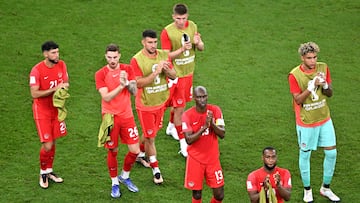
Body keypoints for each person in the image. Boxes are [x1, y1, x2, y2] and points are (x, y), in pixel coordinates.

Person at [288, 42, 340, 202]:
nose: (313, 61)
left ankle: (325, 188)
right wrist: (310, 88)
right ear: (302, 58)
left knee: (331, 153)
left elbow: (329, 93)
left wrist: (325, 85)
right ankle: (307, 190)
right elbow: (297, 100)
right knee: (305, 154)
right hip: (306, 121)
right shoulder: (294, 75)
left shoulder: (323, 67)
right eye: (309, 58)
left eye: (315, 57)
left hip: (324, 118)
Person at [131, 29, 176, 184]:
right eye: (149, 42)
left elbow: (174, 75)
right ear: (143, 42)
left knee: (150, 132)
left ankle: (138, 152)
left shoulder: (163, 55)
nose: (153, 45)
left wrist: (167, 70)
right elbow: (138, 83)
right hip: (146, 105)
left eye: (155, 42)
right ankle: (156, 170)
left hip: (160, 102)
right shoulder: (137, 60)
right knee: (151, 137)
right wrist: (156, 72)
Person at [95, 43, 140, 198]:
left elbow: (134, 92)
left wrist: (127, 84)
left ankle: (125, 176)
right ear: (105, 57)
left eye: (115, 57)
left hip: (127, 116)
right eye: (109, 57)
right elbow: (106, 97)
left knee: (135, 150)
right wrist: (121, 86)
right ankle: (114, 182)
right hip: (109, 117)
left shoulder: (127, 69)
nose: (112, 60)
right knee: (112, 150)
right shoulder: (100, 74)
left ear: (119, 56)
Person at [161, 3, 205, 157]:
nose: (181, 21)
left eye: (184, 18)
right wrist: (182, 49)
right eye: (178, 18)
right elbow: (165, 56)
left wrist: (197, 42)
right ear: (173, 17)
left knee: (179, 105)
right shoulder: (167, 32)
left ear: (188, 16)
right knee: (179, 108)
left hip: (189, 74)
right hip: (175, 76)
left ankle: (171, 126)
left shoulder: (192, 26)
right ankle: (183, 145)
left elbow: (201, 47)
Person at [29, 41, 69, 189]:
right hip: (42, 112)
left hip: (56, 110)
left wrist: (62, 91)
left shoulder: (62, 65)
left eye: (57, 52)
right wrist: (54, 90)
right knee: (47, 144)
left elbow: (66, 82)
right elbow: (34, 93)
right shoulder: (37, 71)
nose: (56, 55)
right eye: (53, 53)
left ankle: (49, 170)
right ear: (45, 54)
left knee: (53, 141)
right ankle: (42, 173)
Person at [182, 86, 225, 203]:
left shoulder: (215, 111)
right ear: (194, 98)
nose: (202, 100)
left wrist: (212, 124)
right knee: (197, 194)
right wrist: (204, 128)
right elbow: (188, 140)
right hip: (195, 159)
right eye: (199, 97)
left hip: (213, 159)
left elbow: (222, 134)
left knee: (219, 194)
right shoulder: (187, 115)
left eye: (204, 96)